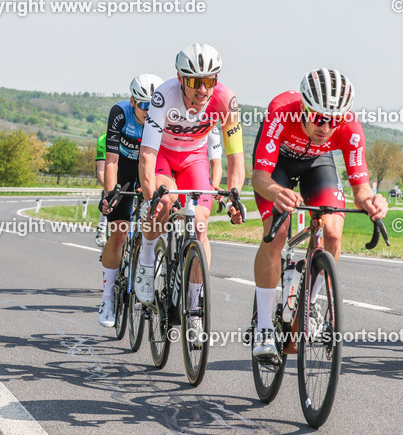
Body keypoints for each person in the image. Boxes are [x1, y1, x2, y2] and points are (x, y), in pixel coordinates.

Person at [250, 69, 388, 363]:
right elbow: (260, 177)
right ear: (303, 107)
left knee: (334, 232)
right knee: (278, 233)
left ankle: (308, 306)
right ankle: (263, 327)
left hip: (317, 164)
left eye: (334, 119)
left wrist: (373, 202)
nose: (326, 127)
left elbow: (360, 190)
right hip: (278, 166)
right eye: (318, 117)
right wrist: (277, 192)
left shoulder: (350, 128)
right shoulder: (281, 111)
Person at [135, 43, 245, 341]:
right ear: (181, 79)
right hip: (163, 156)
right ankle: (146, 263)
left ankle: (194, 308)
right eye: (195, 81)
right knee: (164, 202)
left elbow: (236, 158)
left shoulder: (226, 100)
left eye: (209, 81)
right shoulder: (164, 97)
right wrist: (149, 200)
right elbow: (146, 155)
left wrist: (234, 194)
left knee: (199, 226)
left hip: (194, 159)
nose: (202, 89)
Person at [97, 74, 163, 327]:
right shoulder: (120, 113)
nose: (149, 112)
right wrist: (111, 192)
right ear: (133, 101)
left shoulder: (161, 117)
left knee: (159, 220)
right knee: (118, 233)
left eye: (154, 106)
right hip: (124, 168)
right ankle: (107, 298)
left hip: (151, 168)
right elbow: (111, 160)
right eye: (144, 105)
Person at [95, 133, 108, 246]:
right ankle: (102, 228)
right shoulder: (103, 140)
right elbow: (101, 171)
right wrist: (108, 188)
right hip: (110, 174)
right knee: (108, 196)